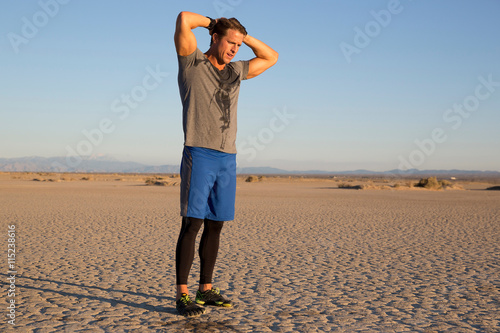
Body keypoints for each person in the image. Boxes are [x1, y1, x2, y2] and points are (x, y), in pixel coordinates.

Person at [173, 11, 278, 316]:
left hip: (227, 157)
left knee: (216, 224)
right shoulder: (192, 63)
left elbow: (271, 57)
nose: (235, 48)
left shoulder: (236, 70)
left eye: (239, 45)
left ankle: (205, 290)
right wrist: (212, 22)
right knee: (192, 223)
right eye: (230, 42)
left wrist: (244, 37)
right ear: (215, 38)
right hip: (199, 152)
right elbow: (183, 19)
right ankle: (182, 294)